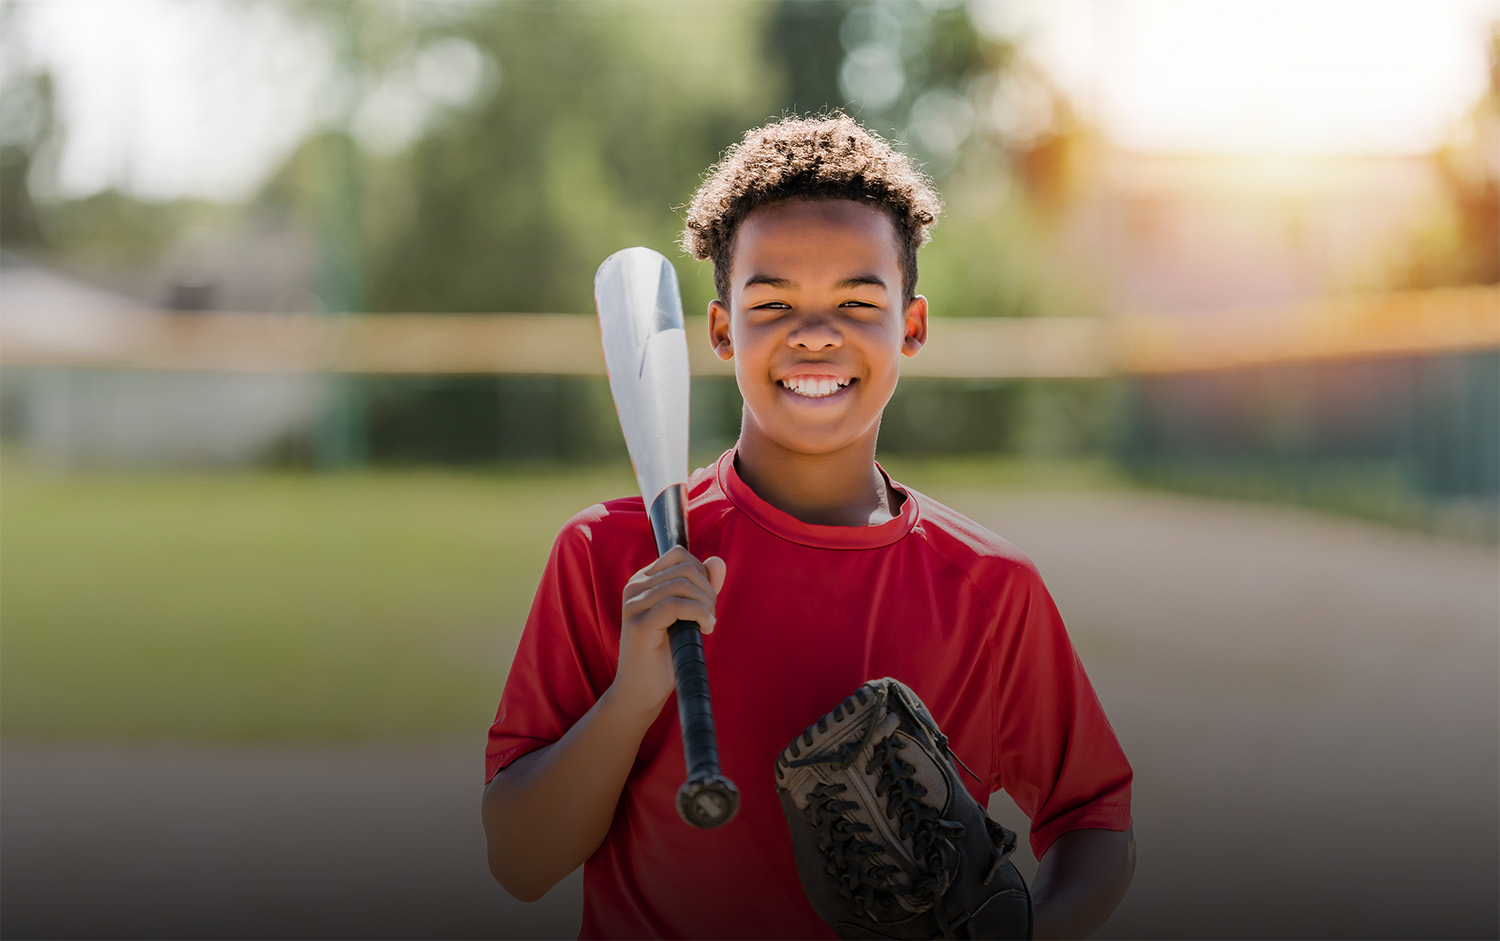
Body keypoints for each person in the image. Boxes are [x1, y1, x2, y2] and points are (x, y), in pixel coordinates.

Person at [482, 113, 1135, 940]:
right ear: (722, 331)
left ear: (913, 325)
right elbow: (520, 858)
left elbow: (1095, 822)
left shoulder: (991, 590)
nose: (815, 332)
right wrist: (630, 698)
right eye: (774, 301)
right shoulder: (616, 556)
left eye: (859, 300)